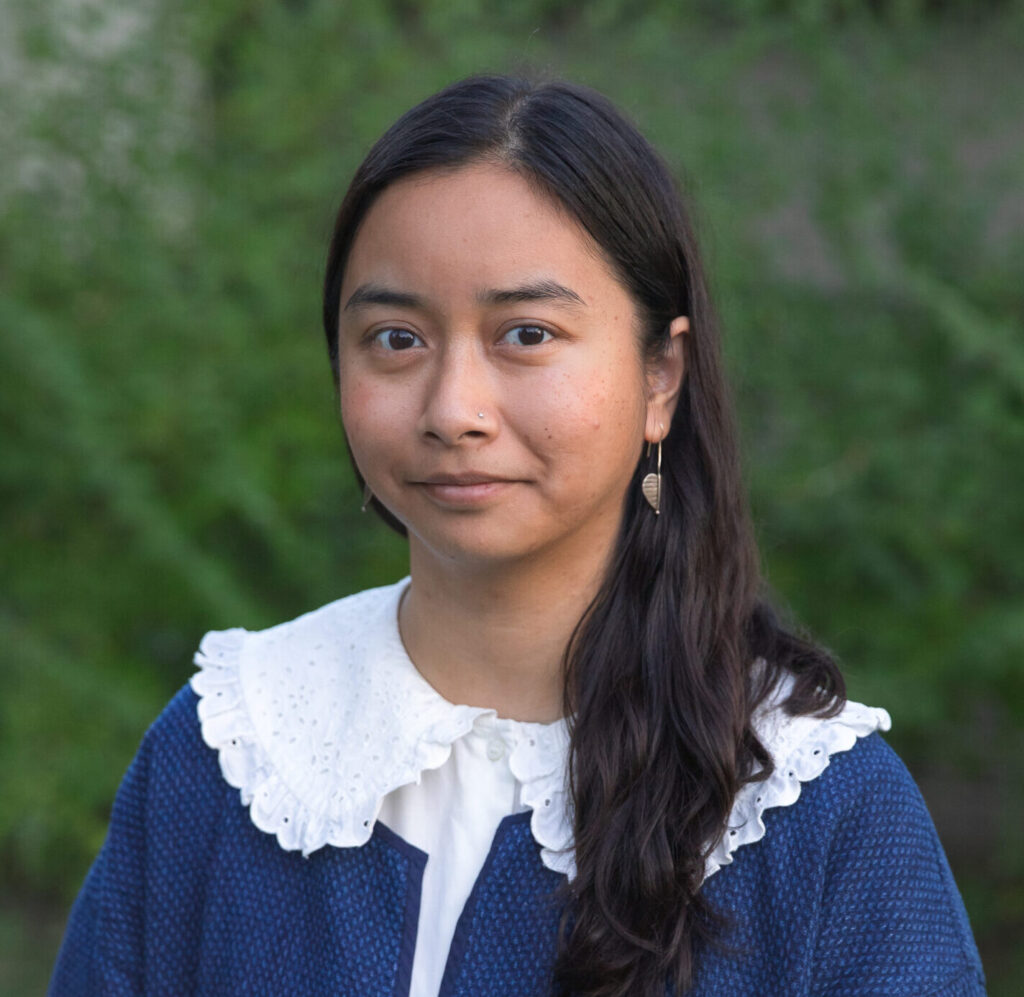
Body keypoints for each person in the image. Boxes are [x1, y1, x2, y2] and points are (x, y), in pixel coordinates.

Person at [49, 75, 985, 997]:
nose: (454, 408)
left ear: (662, 372)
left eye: (527, 334)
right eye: (395, 338)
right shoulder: (239, 745)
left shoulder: (810, 801)